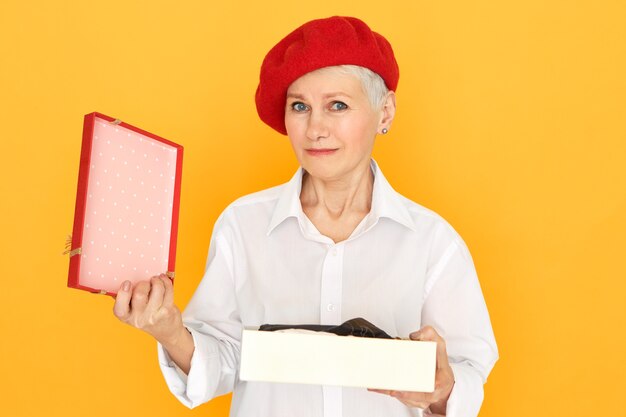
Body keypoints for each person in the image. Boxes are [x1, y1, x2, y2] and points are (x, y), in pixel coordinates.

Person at [113, 16, 498, 417]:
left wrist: (442, 387)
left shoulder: (433, 242)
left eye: (337, 105)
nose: (315, 128)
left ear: (385, 112)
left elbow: (468, 374)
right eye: (300, 106)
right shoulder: (242, 226)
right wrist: (169, 330)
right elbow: (223, 361)